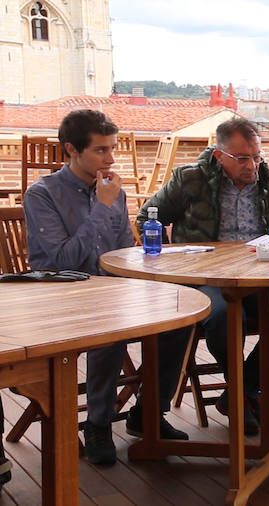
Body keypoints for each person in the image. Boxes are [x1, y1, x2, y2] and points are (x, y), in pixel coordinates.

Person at [23, 109, 191, 466]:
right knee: (111, 328)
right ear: (71, 149)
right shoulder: (42, 194)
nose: (110, 158)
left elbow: (121, 253)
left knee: (181, 318)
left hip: (111, 290)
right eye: (100, 150)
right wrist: (101, 207)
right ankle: (97, 423)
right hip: (58, 295)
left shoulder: (115, 192)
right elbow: (60, 261)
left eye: (112, 148)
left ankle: (147, 412)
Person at [136, 117, 269, 435]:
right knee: (224, 315)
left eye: (257, 156)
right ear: (218, 155)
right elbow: (148, 217)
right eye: (243, 158)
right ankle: (244, 397)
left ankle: (240, 391)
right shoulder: (190, 180)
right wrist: (173, 257)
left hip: (258, 276)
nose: (252, 165)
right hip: (206, 278)